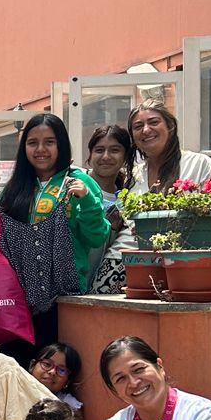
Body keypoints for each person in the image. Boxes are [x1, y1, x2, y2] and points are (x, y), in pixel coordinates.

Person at [0, 113, 109, 353]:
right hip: (17, 300)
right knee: (18, 373)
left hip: (64, 298)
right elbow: (1, 240)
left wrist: (88, 200)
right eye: (33, 143)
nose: (41, 149)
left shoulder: (79, 181)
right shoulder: (15, 187)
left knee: (57, 373)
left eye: (49, 142)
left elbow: (96, 237)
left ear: (61, 145)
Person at [127, 99, 211, 194]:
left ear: (170, 127)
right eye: (138, 126)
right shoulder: (134, 176)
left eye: (154, 122)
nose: (146, 130)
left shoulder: (199, 164)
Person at [85, 123, 137, 293]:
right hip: (70, 285)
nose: (106, 156)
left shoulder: (127, 198)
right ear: (90, 155)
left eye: (114, 150)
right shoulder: (76, 186)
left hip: (101, 291)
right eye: (99, 150)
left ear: (125, 156)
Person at [28, 342, 84, 410]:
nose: (52, 372)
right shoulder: (14, 385)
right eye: (47, 364)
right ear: (32, 366)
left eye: (62, 370)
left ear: (67, 382)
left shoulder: (69, 408)